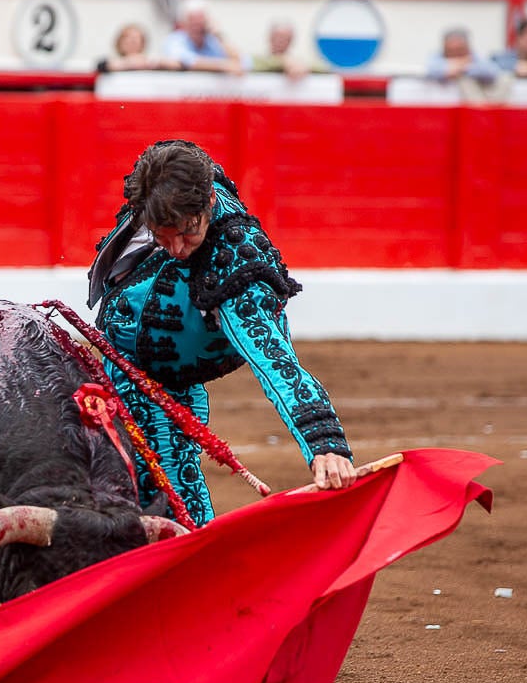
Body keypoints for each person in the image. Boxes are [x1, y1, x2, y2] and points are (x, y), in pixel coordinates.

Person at [86, 140, 356, 524]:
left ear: (210, 202)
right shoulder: (172, 181)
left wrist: (324, 441)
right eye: (163, 237)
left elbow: (275, 360)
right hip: (119, 365)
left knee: (171, 503)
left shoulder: (235, 267)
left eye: (188, 233)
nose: (177, 248)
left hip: (158, 384)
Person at [161, 0, 244, 74]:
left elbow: (242, 62)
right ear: (183, 24)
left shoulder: (213, 41)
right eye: (193, 23)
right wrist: (223, 66)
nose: (198, 28)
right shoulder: (175, 40)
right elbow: (185, 60)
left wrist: (219, 36)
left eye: (201, 23)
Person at [426, 27, 508, 101]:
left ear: (467, 47)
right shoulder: (437, 56)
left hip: (473, 108)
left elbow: (492, 72)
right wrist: (458, 66)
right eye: (451, 50)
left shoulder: (475, 57)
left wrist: (463, 69)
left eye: (459, 49)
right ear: (444, 47)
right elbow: (431, 70)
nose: (455, 53)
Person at [252, 21, 329, 79]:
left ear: (291, 40)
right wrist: (283, 61)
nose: (280, 41)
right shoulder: (258, 61)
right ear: (269, 38)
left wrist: (304, 67)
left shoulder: (299, 63)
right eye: (277, 37)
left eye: (285, 38)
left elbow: (325, 68)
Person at [97, 23, 180, 73]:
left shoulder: (150, 61)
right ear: (119, 42)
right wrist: (127, 63)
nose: (132, 42)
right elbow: (101, 65)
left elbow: (177, 65)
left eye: (136, 39)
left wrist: (154, 63)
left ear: (143, 43)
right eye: (128, 39)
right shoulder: (111, 62)